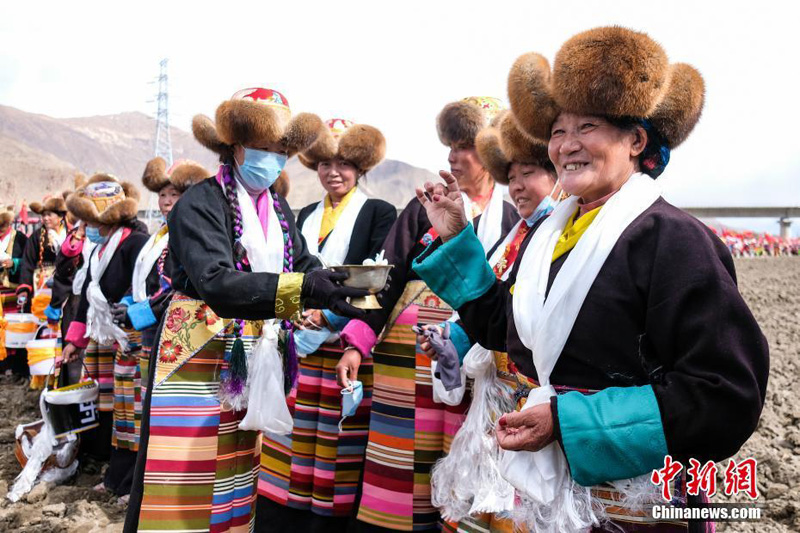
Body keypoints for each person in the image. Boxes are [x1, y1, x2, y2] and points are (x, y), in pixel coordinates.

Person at [412, 27, 769, 532]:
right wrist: (455, 240)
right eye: (557, 131)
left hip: (636, 507)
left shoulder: (674, 240)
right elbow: (510, 332)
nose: (567, 145)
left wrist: (567, 421)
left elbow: (725, 393)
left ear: (636, 141)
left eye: (588, 127)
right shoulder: (550, 235)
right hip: (548, 502)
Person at [123, 88, 368, 533]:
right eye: (264, 150)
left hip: (248, 348)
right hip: (198, 348)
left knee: (236, 467)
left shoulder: (275, 206)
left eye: (281, 152)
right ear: (236, 148)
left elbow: (301, 261)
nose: (273, 161)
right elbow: (216, 281)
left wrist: (338, 288)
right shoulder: (199, 203)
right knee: (188, 473)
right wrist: (302, 287)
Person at [336, 97, 518, 531]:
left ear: (493, 154)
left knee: (465, 454)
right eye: (450, 146)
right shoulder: (424, 206)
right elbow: (385, 276)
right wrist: (357, 341)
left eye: (466, 146)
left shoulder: (512, 216)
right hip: (407, 360)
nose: (454, 156)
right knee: (401, 463)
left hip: (475, 356)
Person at [416, 110, 559, 531]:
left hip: (535, 407)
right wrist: (453, 341)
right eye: (510, 176)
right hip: (498, 402)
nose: (516, 185)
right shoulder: (517, 236)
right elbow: (497, 312)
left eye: (529, 173)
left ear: (557, 177)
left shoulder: (557, 234)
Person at [258, 118, 396, 532]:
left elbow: (378, 276)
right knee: (294, 437)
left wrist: (330, 313)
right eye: (323, 164)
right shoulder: (303, 214)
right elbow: (290, 269)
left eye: (344, 164)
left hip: (342, 342)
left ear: (360, 169)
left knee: (336, 443)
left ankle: (327, 522)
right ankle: (288, 514)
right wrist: (293, 308)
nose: (333, 172)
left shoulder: (378, 213)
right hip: (299, 340)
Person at [60, 175, 149, 496]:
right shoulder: (98, 252)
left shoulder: (135, 243)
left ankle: (126, 479)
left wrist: (127, 308)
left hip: (130, 339)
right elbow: (88, 295)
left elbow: (142, 289)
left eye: (90, 220)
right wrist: (75, 340)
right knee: (114, 409)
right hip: (107, 335)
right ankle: (112, 469)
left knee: (130, 412)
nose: (85, 227)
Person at [0, 209, 28, 374]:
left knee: (13, 329)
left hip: (12, 291)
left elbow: (29, 260)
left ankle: (15, 365)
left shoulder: (20, 238)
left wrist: (14, 263)